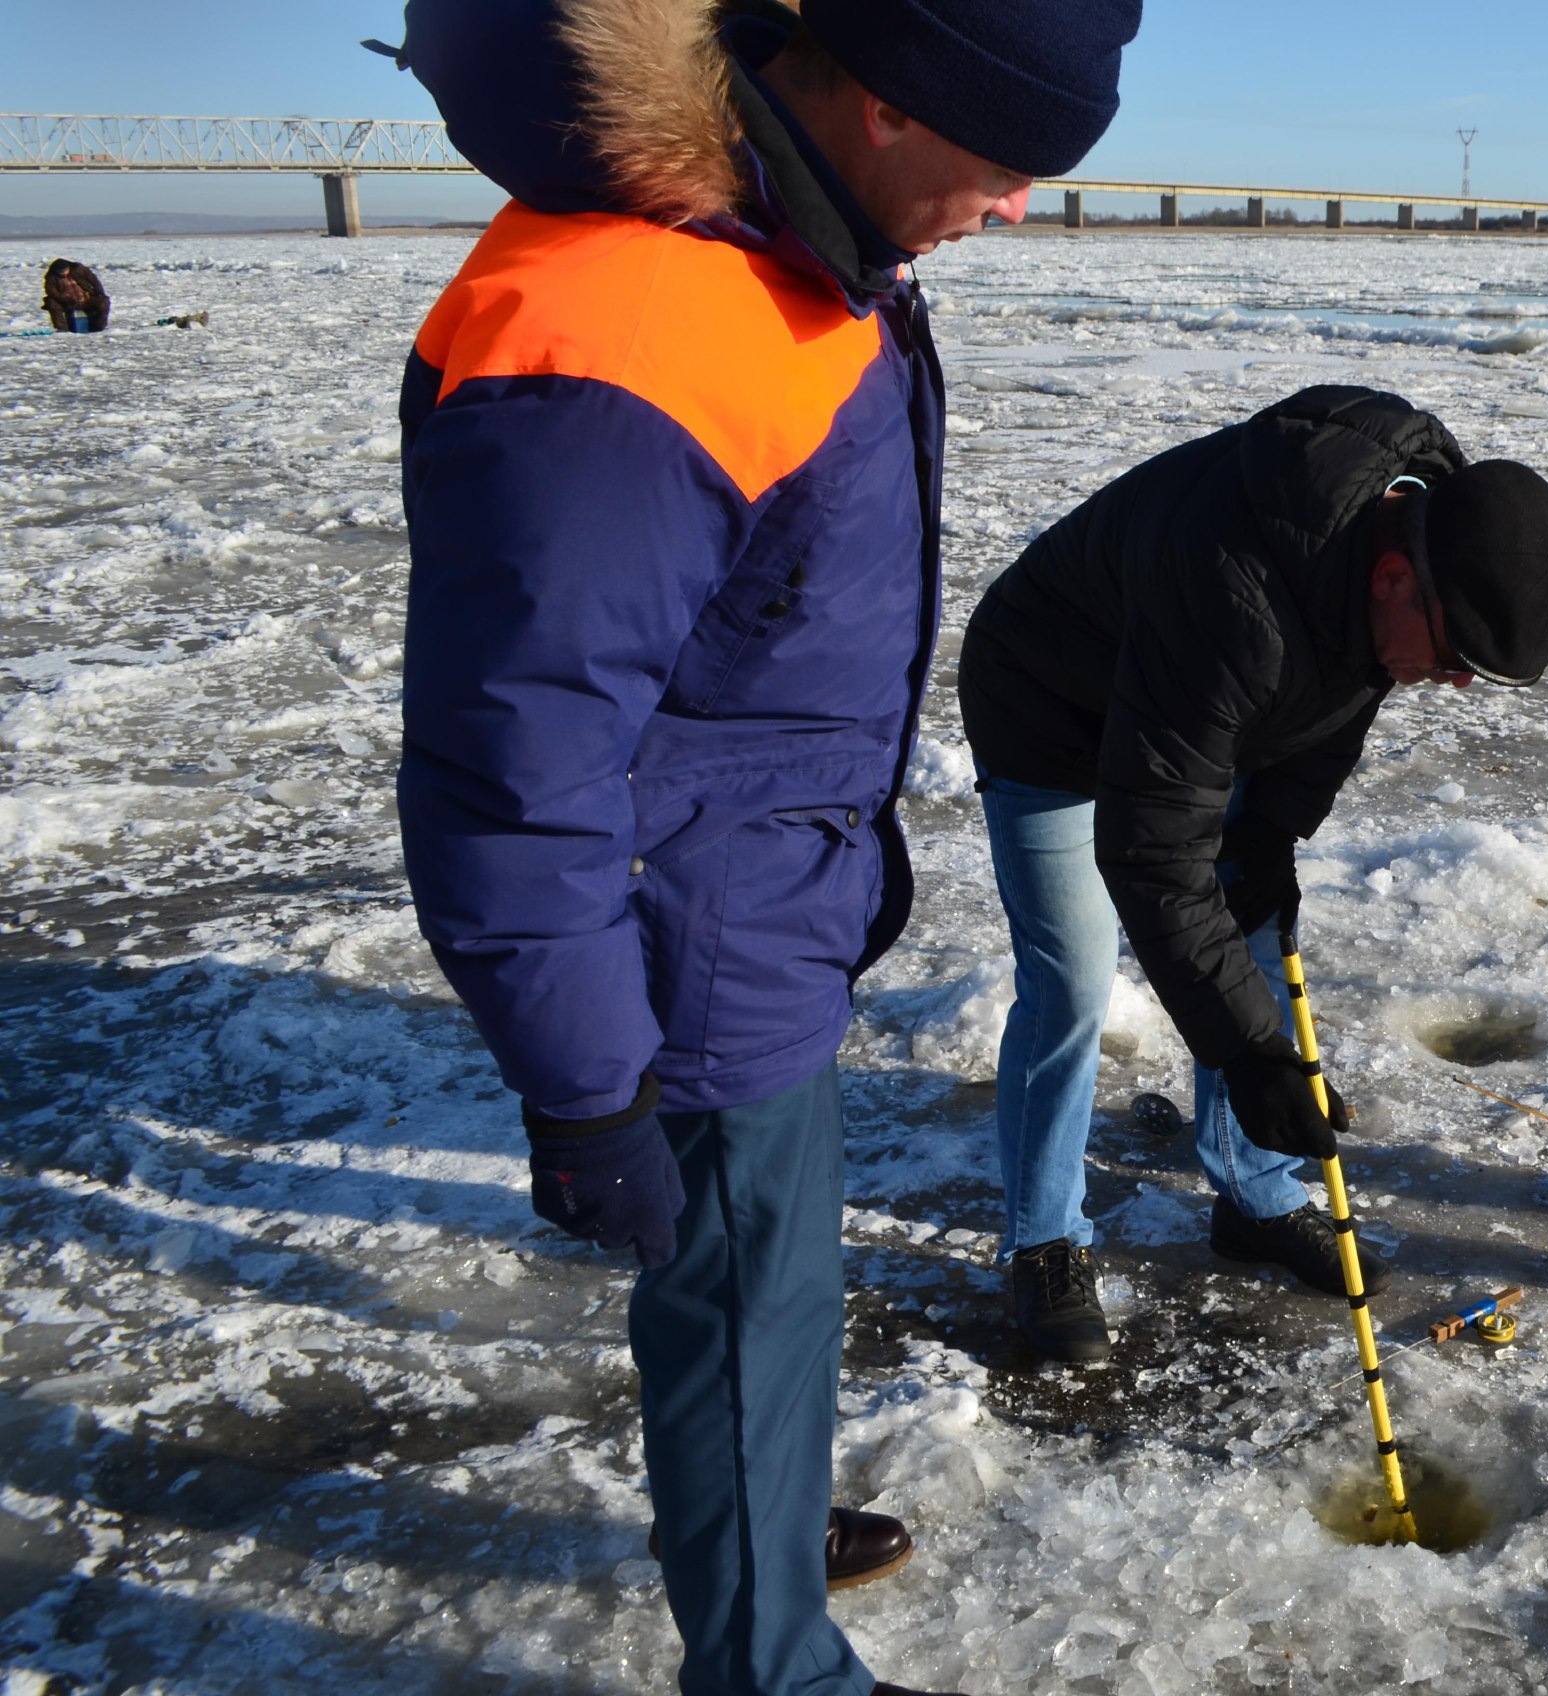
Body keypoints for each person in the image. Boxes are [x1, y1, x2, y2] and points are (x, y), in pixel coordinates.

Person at [393, 1, 1137, 1692]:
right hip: (685, 960)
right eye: (1010, 163)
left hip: (754, 905)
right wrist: (589, 1087)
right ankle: (771, 1662)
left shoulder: (792, 250)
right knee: (748, 1315)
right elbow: (520, 756)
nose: (1017, 205)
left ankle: (757, 1531)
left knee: (770, 1310)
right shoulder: (640, 319)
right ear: (882, 102)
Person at [958, 385, 1548, 1362]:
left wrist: (1274, 834)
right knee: (1073, 982)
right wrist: (1255, 1057)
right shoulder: (1234, 591)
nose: (1457, 681)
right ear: (1390, 577)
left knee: (1248, 928)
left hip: (1197, 711)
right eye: (1459, 655)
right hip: (1048, 709)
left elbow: (1345, 688)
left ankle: (1252, 1192)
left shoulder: (1422, 520)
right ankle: (1044, 1241)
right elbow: (1152, 848)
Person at [42, 259, 109, 333]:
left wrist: (99, 292)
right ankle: (62, 328)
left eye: (65, 270)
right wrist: (64, 299)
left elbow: (94, 280)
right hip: (67, 303)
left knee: (104, 301)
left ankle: (99, 327)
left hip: (86, 299)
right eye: (60, 272)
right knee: (50, 302)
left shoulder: (79, 269)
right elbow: (51, 291)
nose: (63, 273)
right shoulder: (51, 277)